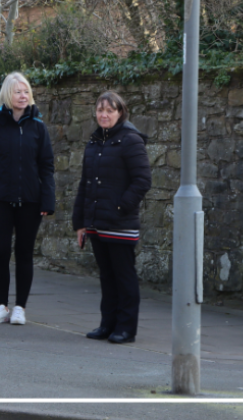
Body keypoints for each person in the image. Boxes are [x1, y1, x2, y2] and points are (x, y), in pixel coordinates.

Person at [73, 91, 151, 344]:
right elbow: (85, 185)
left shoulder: (131, 140)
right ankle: (107, 324)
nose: (104, 114)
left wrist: (120, 208)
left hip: (120, 224)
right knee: (106, 277)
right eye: (100, 110)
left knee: (124, 277)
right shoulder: (95, 143)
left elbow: (142, 181)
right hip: (97, 224)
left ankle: (126, 328)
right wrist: (80, 222)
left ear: (121, 113)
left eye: (110, 110)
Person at [0, 72, 55, 325]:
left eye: (26, 92)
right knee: (0, 252)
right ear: (7, 95)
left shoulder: (38, 127)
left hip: (30, 201)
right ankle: (1, 306)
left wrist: (47, 200)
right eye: (17, 91)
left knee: (24, 253)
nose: (23, 96)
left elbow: (46, 166)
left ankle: (20, 307)